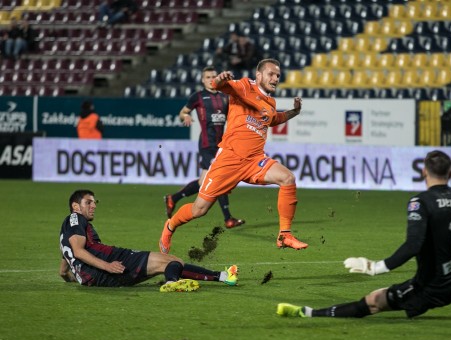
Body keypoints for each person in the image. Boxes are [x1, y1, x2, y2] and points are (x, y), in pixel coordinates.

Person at [276, 150, 451, 320]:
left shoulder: (419, 202)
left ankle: (307, 313)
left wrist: (375, 267)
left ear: (424, 171)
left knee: (374, 301)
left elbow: (414, 245)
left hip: (432, 285)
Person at [159, 58, 308, 254]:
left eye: (278, 75)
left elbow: (274, 119)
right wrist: (220, 80)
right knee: (199, 210)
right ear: (259, 75)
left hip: (254, 160)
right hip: (228, 160)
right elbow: (219, 86)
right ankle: (170, 226)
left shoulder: (270, 101)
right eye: (271, 74)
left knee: (287, 178)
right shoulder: (244, 86)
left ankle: (284, 235)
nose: (275, 78)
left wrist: (294, 112)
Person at [59, 189, 238, 291]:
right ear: (75, 206)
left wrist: (71, 276)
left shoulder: (67, 229)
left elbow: (64, 262)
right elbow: (78, 251)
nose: (94, 205)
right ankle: (172, 283)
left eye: (94, 202)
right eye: (88, 202)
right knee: (172, 262)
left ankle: (222, 277)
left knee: (170, 263)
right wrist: (108, 266)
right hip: (109, 263)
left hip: (97, 277)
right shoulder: (75, 218)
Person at [164, 66, 245, 230]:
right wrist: (185, 116)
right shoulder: (198, 97)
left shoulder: (224, 97)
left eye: (213, 76)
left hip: (221, 145)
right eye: (207, 77)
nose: (211, 79)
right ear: (203, 79)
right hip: (207, 145)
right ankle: (228, 218)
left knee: (203, 181)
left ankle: (173, 197)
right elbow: (182, 112)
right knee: (219, 177)